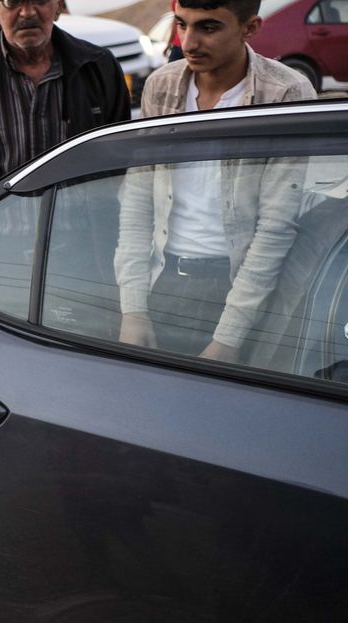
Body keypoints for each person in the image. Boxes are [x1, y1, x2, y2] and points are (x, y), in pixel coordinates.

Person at [113, 0, 315, 361]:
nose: (188, 42)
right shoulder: (161, 87)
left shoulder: (284, 94)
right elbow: (137, 201)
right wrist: (133, 308)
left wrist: (230, 336)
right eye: (181, 24)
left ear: (250, 28)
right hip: (163, 280)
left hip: (242, 289)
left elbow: (276, 226)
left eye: (208, 28)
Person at [0, 0, 131, 204]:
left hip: (81, 228)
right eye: (13, 2)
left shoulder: (98, 66)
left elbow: (117, 156)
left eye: (40, 0)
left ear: (58, 7)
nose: (27, 13)